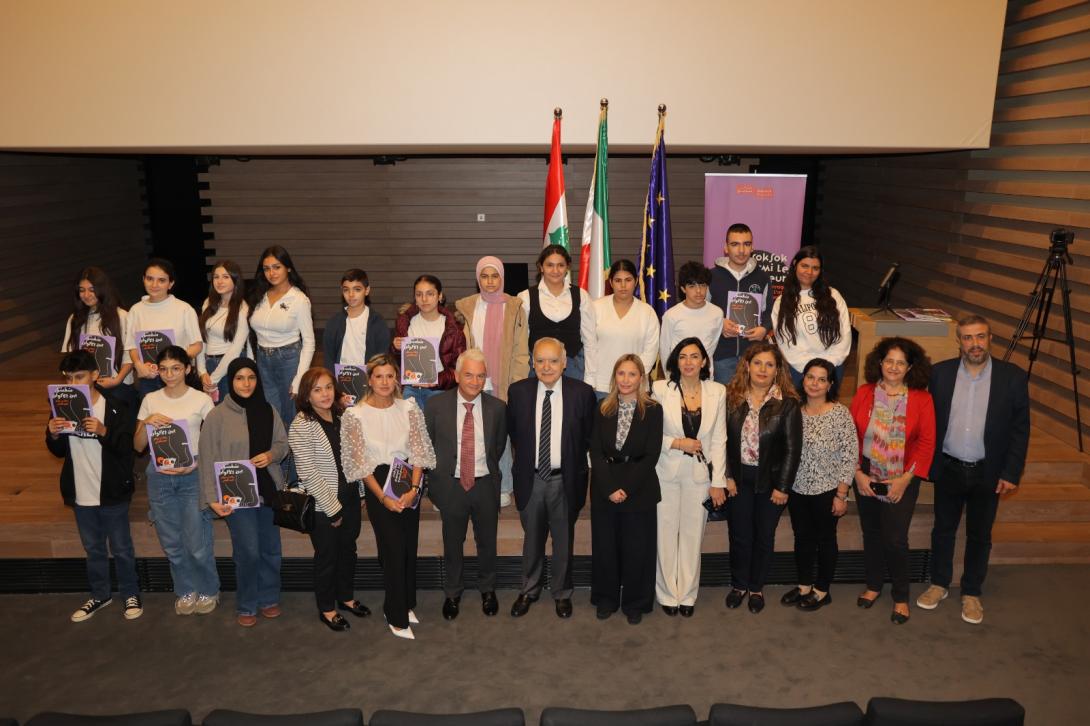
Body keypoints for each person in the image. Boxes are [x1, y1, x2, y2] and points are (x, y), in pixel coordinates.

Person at [917, 315, 1029, 625]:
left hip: (988, 471)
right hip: (949, 467)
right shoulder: (940, 374)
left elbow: (1020, 430)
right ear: (959, 342)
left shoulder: (1012, 377)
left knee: (980, 535)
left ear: (991, 339)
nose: (974, 344)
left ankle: (971, 592)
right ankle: (939, 584)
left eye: (980, 336)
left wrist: (1011, 472)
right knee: (943, 529)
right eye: (967, 338)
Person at [342, 354, 436, 639]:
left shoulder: (409, 408)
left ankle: (406, 603)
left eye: (390, 376)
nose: (384, 382)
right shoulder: (355, 415)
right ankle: (395, 615)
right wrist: (383, 498)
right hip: (377, 483)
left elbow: (418, 451)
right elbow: (360, 464)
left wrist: (413, 490)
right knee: (393, 550)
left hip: (407, 478)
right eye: (379, 376)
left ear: (397, 379)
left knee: (408, 547)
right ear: (369, 380)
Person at [47, 350, 142, 622]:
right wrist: (53, 433)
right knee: (94, 549)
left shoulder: (115, 405)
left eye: (79, 377)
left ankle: (130, 594)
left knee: (122, 549)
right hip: (80, 490)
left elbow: (127, 449)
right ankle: (100, 594)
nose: (73, 383)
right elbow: (57, 451)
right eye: (68, 378)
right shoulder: (61, 405)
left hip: (111, 489)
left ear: (95, 375)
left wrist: (103, 431)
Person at [506, 337, 596, 619]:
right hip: (531, 479)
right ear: (533, 363)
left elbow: (588, 436)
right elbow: (514, 434)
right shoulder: (518, 392)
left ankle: (562, 593)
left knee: (563, 541)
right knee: (531, 539)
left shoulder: (582, 393)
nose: (547, 367)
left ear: (564, 363)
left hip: (565, 480)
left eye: (553, 361)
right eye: (541, 361)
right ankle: (529, 590)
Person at [850, 336, 935, 625]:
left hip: (902, 476)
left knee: (895, 538)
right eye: (889, 361)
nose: (894, 367)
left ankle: (901, 596)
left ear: (910, 367)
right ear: (880, 363)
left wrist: (906, 479)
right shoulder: (865, 393)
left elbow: (926, 442)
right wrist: (857, 473)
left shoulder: (922, 399)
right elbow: (851, 436)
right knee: (871, 533)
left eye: (901, 362)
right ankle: (874, 585)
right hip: (865, 472)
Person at [198, 358, 288, 627]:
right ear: (231, 381)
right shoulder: (216, 416)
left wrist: (271, 455)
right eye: (239, 378)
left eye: (251, 377)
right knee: (248, 552)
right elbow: (207, 458)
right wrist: (211, 498)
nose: (246, 383)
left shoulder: (268, 409)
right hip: (235, 496)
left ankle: (269, 598)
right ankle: (247, 603)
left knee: (271, 550)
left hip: (268, 492)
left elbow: (283, 444)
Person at [133, 346, 219, 615]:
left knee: (197, 542)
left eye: (176, 368)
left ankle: (208, 589)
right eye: (164, 369)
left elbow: (215, 442)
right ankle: (185, 589)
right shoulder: (150, 399)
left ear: (188, 369)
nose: (169, 374)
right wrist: (146, 423)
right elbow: (137, 446)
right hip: (159, 475)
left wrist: (196, 464)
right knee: (171, 541)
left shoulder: (201, 399)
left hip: (192, 473)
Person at [423, 349, 507, 621]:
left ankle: (488, 590)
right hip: (451, 486)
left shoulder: (497, 408)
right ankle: (452, 592)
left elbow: (497, 447)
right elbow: (429, 445)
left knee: (487, 542)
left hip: (484, 484)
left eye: (480, 376)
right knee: (452, 542)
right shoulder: (436, 405)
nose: (474, 381)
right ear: (457, 375)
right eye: (469, 375)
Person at [288, 367, 370, 632]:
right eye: (317, 389)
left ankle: (345, 597)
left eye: (328, 387)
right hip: (324, 505)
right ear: (306, 395)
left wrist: (360, 492)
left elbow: (356, 456)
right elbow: (308, 472)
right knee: (327, 556)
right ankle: (327, 608)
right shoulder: (301, 425)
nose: (324, 394)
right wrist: (333, 510)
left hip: (350, 496)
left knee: (348, 551)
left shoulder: (343, 416)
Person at [722, 342, 802, 614]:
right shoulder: (731, 398)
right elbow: (720, 441)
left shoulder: (787, 404)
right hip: (737, 480)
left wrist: (783, 487)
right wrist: (726, 476)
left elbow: (792, 449)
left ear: (777, 370)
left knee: (764, 536)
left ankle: (756, 588)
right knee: (739, 535)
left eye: (769, 364)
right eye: (757, 363)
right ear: (747, 365)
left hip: (771, 483)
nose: (763, 369)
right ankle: (739, 585)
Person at [652, 338, 726, 617]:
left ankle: (687, 594)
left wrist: (718, 481)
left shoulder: (717, 391)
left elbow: (719, 439)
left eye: (694, 356)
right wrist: (677, 443)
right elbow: (649, 434)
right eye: (682, 356)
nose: (688, 362)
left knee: (693, 537)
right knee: (665, 534)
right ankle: (667, 594)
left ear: (704, 361)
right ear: (675, 361)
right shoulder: (660, 389)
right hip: (666, 471)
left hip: (700, 475)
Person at [589, 354, 663, 624]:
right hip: (605, 486)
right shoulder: (602, 407)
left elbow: (652, 454)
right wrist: (610, 487)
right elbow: (595, 451)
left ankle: (635, 602)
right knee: (605, 547)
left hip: (639, 487)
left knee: (637, 549)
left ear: (641, 378)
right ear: (614, 377)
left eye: (632, 374)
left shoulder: (653, 410)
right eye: (621, 373)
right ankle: (606, 598)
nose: (626, 379)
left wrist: (626, 488)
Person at [781, 358, 857, 612]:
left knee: (825, 540)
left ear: (830, 384)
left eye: (821, 379)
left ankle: (822, 590)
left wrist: (841, 494)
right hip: (797, 489)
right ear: (803, 379)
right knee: (802, 538)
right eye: (810, 377)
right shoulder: (793, 410)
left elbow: (850, 455)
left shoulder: (840, 414)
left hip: (827, 490)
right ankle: (804, 586)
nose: (815, 383)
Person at [455, 256, 528, 507]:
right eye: (484, 276)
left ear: (502, 278)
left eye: (494, 276)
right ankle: (476, 479)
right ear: (478, 279)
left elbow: (521, 351)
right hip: (474, 380)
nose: (489, 281)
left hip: (502, 382)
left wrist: (516, 386)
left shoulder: (515, 307)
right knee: (472, 430)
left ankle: (504, 485)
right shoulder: (467, 307)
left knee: (501, 434)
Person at [771, 246, 852, 387]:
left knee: (829, 402)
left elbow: (845, 333)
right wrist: (810, 370)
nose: (809, 272)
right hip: (800, 370)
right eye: (805, 266)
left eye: (815, 268)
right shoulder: (782, 302)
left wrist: (828, 365)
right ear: (795, 264)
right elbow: (785, 341)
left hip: (833, 368)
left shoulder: (833, 295)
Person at [518, 244, 598, 382]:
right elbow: (521, 342)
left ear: (567, 267)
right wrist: (521, 374)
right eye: (550, 265)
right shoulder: (525, 297)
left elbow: (590, 340)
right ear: (541, 267)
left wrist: (590, 377)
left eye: (560, 265)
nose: (555, 270)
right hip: (537, 369)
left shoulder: (581, 295)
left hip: (574, 369)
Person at [126, 259, 203, 397]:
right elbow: (132, 346)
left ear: (171, 283)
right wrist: (138, 364)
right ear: (143, 279)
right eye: (150, 279)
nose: (154, 285)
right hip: (148, 379)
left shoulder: (184, 309)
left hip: (177, 378)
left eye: (161, 280)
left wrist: (176, 363)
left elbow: (197, 345)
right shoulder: (135, 310)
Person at [61, 266, 135, 409]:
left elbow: (130, 354)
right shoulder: (74, 319)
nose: (86, 295)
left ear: (103, 289)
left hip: (118, 386)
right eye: (82, 290)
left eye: (92, 289)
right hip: (86, 387)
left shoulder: (122, 316)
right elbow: (70, 357)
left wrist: (117, 380)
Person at [708, 223, 771, 385]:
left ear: (752, 247)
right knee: (726, 399)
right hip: (722, 355)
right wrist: (719, 322)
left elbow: (769, 312)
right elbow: (702, 311)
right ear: (726, 248)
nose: (741, 250)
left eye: (746, 244)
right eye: (735, 244)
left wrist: (764, 329)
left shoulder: (762, 278)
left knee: (754, 398)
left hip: (754, 356)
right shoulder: (711, 276)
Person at [393, 274, 466, 411]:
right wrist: (396, 348)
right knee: (410, 425)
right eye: (419, 294)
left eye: (430, 294)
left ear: (440, 296)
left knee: (437, 425)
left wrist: (435, 381)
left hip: (439, 391)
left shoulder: (453, 328)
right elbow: (397, 363)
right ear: (415, 297)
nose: (424, 299)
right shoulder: (404, 323)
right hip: (410, 389)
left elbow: (458, 369)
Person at [588, 259, 659, 400]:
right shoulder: (596, 308)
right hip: (602, 386)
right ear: (610, 282)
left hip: (636, 388)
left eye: (628, 280)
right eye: (618, 280)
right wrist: (591, 380)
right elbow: (589, 347)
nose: (623, 285)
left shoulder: (647, 312)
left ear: (636, 281)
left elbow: (650, 352)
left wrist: (633, 378)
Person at [659, 262, 724, 380]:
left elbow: (712, 346)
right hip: (678, 377)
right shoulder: (671, 315)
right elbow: (665, 350)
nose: (698, 291)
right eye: (692, 286)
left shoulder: (717, 313)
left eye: (702, 285)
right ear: (683, 289)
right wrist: (669, 378)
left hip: (706, 378)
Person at [197, 260, 250, 404]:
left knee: (230, 410)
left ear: (235, 280)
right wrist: (202, 371)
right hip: (209, 365)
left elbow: (235, 349)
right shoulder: (208, 303)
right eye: (216, 277)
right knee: (213, 411)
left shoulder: (243, 309)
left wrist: (213, 379)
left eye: (226, 277)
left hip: (230, 366)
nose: (219, 281)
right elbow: (202, 338)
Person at [322, 268, 390, 373]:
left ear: (367, 290)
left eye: (357, 289)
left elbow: (382, 357)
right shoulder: (334, 322)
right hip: (341, 378)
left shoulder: (377, 322)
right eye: (346, 290)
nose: (351, 294)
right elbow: (329, 359)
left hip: (367, 378)